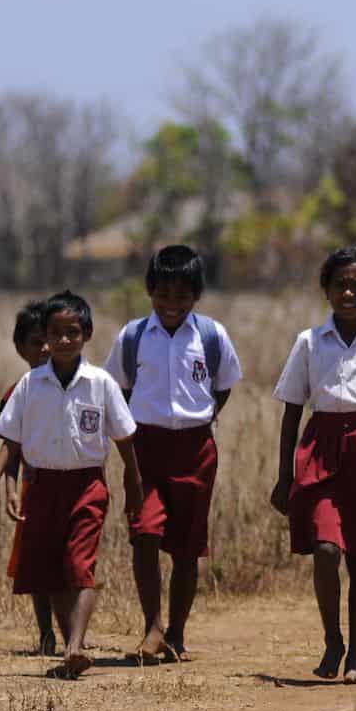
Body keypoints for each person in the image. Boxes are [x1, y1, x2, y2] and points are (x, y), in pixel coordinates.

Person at [270, 244, 356, 684]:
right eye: (340, 285)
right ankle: (332, 638)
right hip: (323, 450)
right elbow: (293, 409)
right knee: (327, 550)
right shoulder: (309, 343)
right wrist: (284, 475)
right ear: (326, 291)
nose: (349, 292)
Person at [0, 290, 142, 680]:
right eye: (55, 333)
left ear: (86, 333)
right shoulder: (30, 384)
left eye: (72, 332)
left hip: (87, 485)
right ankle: (68, 644)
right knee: (53, 569)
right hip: (41, 488)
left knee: (79, 565)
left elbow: (124, 438)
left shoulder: (101, 383)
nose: (64, 340)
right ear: (46, 338)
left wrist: (133, 480)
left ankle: (75, 645)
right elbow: (12, 438)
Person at [104, 245, 243, 664]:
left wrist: (201, 418)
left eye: (182, 297)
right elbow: (118, 391)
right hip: (145, 449)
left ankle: (177, 633)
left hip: (195, 449)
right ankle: (153, 626)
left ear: (196, 296)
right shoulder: (131, 338)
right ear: (150, 291)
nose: (171, 305)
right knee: (144, 533)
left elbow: (223, 385)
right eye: (163, 295)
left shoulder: (211, 336)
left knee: (186, 549)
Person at [0, 299, 56, 656]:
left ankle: (73, 632)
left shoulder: (78, 384)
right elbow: (12, 446)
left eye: (49, 339)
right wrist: (6, 485)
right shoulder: (17, 393)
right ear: (20, 348)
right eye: (35, 341)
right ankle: (47, 634)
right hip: (35, 487)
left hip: (73, 486)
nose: (44, 348)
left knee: (70, 563)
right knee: (38, 566)